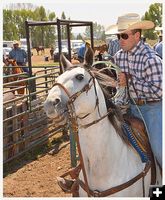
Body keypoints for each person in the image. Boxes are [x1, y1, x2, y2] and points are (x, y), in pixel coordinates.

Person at [107, 13, 162, 167]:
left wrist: (130, 80)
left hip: (153, 109)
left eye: (124, 35)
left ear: (137, 36)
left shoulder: (151, 59)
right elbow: (121, 87)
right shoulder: (118, 57)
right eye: (119, 36)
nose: (120, 40)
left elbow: (159, 91)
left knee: (160, 152)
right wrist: (121, 87)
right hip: (129, 107)